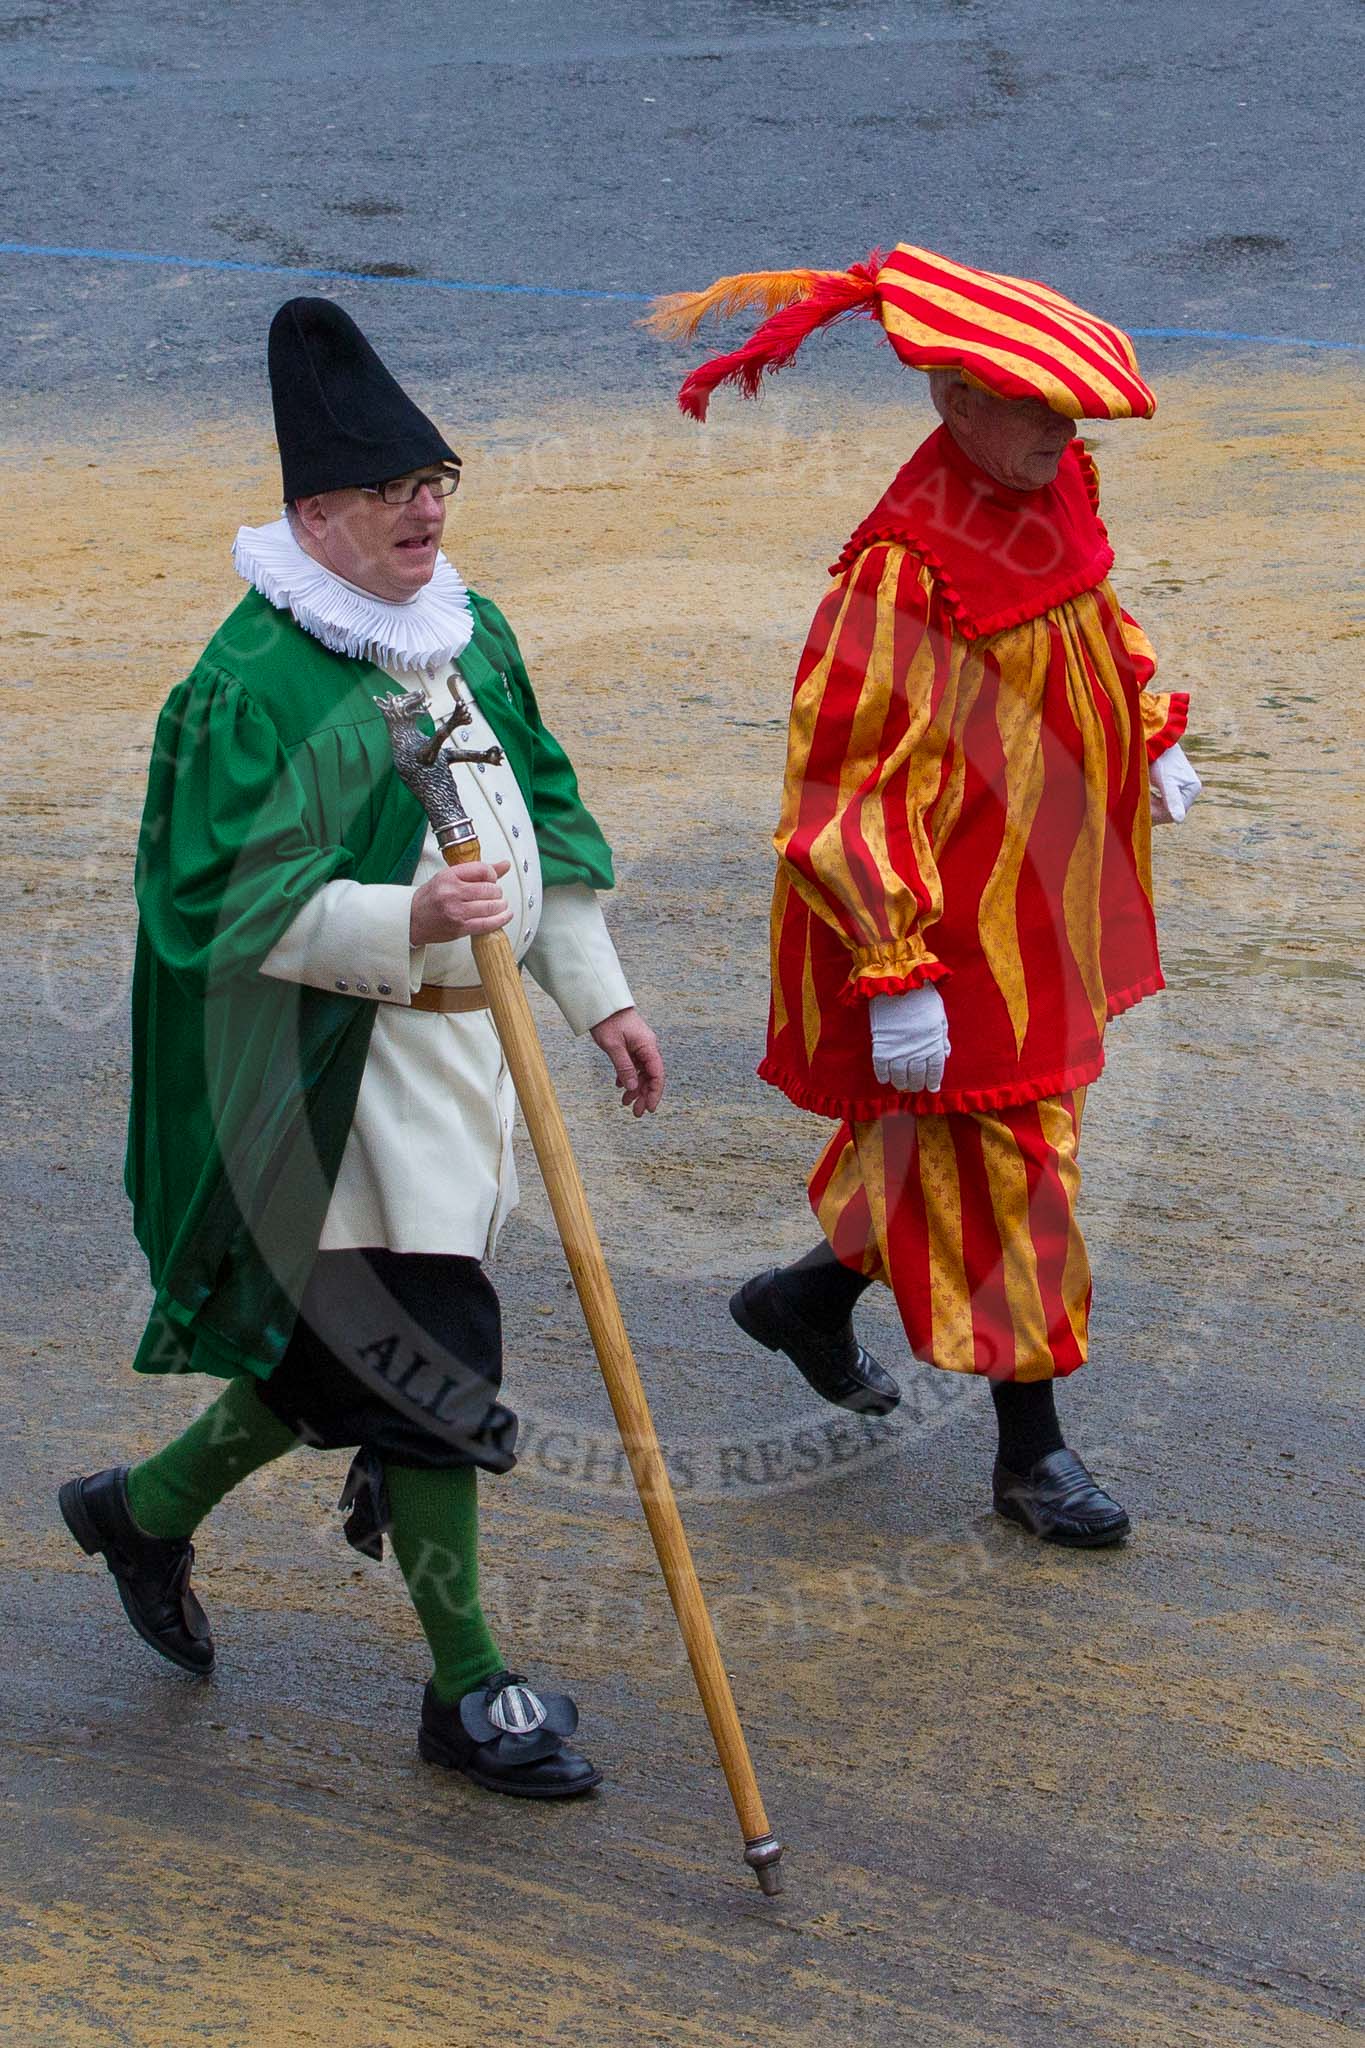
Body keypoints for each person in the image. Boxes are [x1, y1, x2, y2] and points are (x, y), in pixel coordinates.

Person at [60, 298, 664, 1796]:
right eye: (395, 493)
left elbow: (536, 834)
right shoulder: (247, 689)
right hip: (336, 1093)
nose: (429, 508)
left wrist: (601, 996)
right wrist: (398, 916)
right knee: (431, 1373)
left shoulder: (472, 631)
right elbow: (213, 901)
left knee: (340, 1369)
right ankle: (469, 1691)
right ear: (314, 514)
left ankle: (139, 1513)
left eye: (438, 481)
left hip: (474, 1071)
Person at [649, 243, 1201, 1546]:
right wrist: (894, 970)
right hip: (950, 929)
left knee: (950, 1141)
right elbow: (843, 776)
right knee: (1022, 1164)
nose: (1056, 430)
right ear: (951, 400)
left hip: (1039, 899)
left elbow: (1093, 613)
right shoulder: (903, 567)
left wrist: (1148, 720)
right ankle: (1029, 1454)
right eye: (1028, 405)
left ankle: (806, 1299)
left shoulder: (1055, 482)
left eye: (1065, 409)